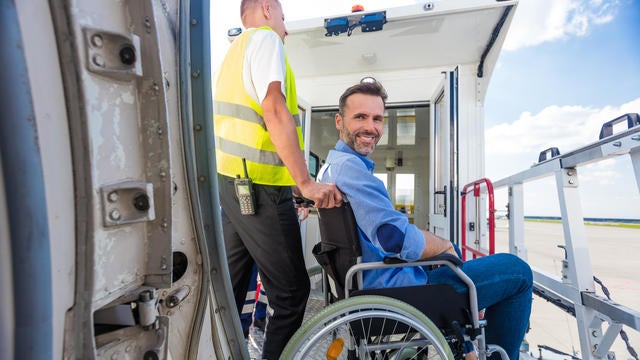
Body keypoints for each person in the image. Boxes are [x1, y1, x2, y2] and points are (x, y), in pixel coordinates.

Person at [317, 79, 533, 360]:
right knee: (517, 272)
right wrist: (443, 246)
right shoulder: (352, 171)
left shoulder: (330, 168)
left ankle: (466, 350)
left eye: (377, 118)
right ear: (338, 121)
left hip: (369, 285)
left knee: (445, 256)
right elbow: (392, 237)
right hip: (394, 294)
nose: (371, 127)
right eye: (360, 117)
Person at [213, 0, 342, 358]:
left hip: (232, 187)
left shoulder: (231, 55)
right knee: (291, 293)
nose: (286, 29)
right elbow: (273, 108)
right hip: (258, 190)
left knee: (228, 289)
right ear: (268, 9)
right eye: (284, 18)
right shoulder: (265, 40)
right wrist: (305, 182)